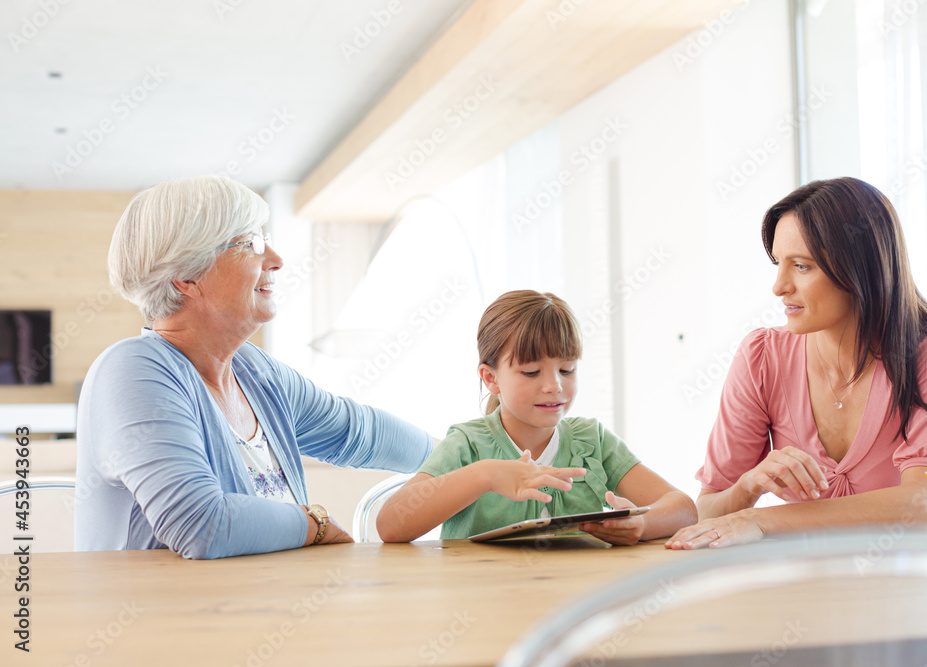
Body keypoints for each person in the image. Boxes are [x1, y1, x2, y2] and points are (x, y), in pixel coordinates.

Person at [74, 175, 433, 559]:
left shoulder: (252, 370)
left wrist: (470, 457)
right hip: (167, 616)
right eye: (251, 244)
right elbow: (201, 525)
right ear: (187, 276)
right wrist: (316, 525)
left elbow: (356, 432)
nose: (276, 260)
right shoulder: (133, 370)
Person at [667, 177, 927, 550]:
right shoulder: (761, 358)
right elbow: (708, 513)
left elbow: (923, 504)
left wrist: (763, 520)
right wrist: (748, 486)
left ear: (860, 269)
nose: (779, 286)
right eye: (778, 264)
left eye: (801, 266)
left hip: (906, 591)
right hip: (803, 591)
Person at [377, 290, 697, 544]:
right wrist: (485, 475)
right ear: (490, 378)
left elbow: (683, 508)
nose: (554, 386)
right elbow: (390, 525)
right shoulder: (467, 445)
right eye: (531, 372)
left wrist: (641, 524)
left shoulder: (593, 442)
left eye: (566, 369)